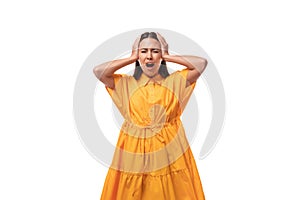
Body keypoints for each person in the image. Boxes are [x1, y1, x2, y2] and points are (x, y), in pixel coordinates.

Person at [93, 32, 208, 200]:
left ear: (161, 55)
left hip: (170, 150)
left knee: (173, 191)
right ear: (138, 54)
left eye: (155, 51)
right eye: (144, 51)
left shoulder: (176, 81)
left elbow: (201, 64)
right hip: (134, 149)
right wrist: (131, 57)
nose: (149, 56)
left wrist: (168, 55)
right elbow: (98, 71)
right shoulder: (125, 83)